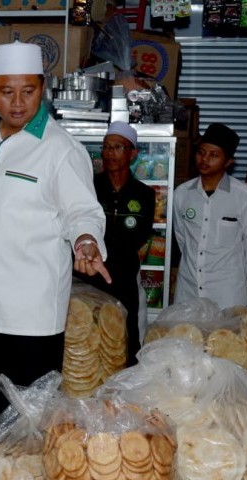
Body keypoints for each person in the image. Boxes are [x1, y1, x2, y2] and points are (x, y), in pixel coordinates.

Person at [0, 42, 110, 440]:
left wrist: (86, 241)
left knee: (30, 422)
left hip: (29, 316)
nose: (17, 103)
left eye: (28, 91)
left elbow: (83, 212)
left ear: (43, 86)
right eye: (6, 91)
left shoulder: (59, 150)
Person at [84, 122, 155, 366]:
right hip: (87, 279)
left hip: (124, 281)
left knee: (125, 343)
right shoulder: (88, 187)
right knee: (85, 341)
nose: (110, 153)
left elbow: (140, 236)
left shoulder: (144, 194)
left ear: (133, 153)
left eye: (117, 147)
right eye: (106, 147)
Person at [173, 123, 247, 310]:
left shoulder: (244, 196)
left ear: (228, 161)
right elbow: (182, 238)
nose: (204, 159)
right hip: (188, 289)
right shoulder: (182, 193)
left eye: (213, 155)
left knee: (224, 339)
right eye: (201, 152)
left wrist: (243, 282)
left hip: (227, 293)